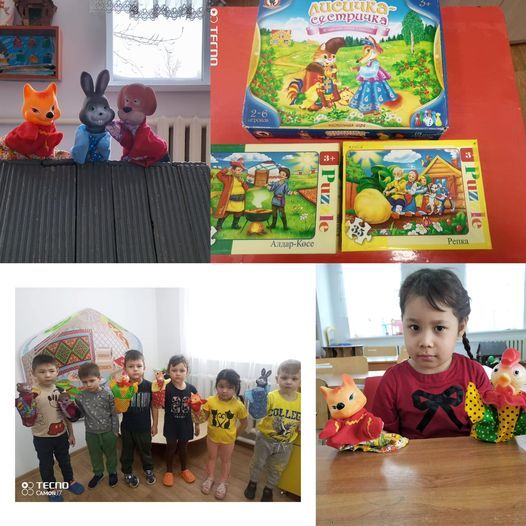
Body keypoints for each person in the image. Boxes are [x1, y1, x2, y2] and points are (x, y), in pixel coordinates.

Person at [372, 268, 492, 439]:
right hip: (410, 456)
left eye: (439, 328)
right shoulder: (392, 381)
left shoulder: (475, 374)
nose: (426, 342)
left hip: (469, 455)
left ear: (460, 327)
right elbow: (384, 438)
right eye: (414, 327)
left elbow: (488, 431)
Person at [29, 355, 85, 501]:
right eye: (42, 371)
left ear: (57, 371)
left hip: (61, 435)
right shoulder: (31, 394)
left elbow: (67, 415)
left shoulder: (61, 391)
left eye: (51, 371)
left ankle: (69, 481)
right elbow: (27, 417)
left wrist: (71, 434)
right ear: (33, 373)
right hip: (42, 438)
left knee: (65, 460)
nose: (47, 375)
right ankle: (51, 489)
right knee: (46, 465)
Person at [244, 359, 301, 502]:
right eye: (284, 377)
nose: (289, 382)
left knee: (277, 468)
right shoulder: (271, 397)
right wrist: (258, 398)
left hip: (286, 444)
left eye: (294, 378)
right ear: (277, 379)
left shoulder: (303, 400)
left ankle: (268, 488)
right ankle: (252, 482)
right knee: (258, 463)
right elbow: (258, 413)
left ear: (300, 380)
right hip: (265, 439)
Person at [201, 369, 248, 500]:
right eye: (221, 386)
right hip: (212, 438)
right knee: (211, 458)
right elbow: (203, 418)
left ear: (236, 388)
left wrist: (235, 436)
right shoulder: (210, 401)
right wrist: (195, 411)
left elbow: (244, 424)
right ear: (216, 385)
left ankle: (223, 482)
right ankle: (210, 478)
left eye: (230, 387)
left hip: (228, 441)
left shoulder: (239, 405)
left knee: (225, 461)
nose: (224, 390)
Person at [75, 362, 119, 489]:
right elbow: (81, 413)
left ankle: (112, 472)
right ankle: (98, 473)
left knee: (111, 454)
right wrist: (72, 412)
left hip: (108, 432)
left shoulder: (108, 394)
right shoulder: (80, 397)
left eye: (92, 380)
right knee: (94, 455)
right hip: (91, 433)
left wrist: (115, 430)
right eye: (84, 382)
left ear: (99, 379)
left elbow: (114, 413)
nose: (88, 384)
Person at [120, 349, 158, 487]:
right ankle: (127, 472)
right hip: (127, 428)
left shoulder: (150, 386)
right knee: (127, 452)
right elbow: (118, 408)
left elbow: (154, 406)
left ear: (144, 368)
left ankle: (148, 469)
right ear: (125, 369)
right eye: (131, 366)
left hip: (144, 427)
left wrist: (155, 424)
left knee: (146, 450)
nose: (135, 369)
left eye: (139, 366)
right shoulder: (122, 387)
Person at [161, 355, 199, 487]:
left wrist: (197, 425)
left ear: (187, 371)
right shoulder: (166, 389)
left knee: (183, 448)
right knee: (170, 448)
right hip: (171, 425)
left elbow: (196, 409)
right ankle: (169, 471)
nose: (178, 373)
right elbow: (160, 404)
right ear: (168, 371)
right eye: (174, 370)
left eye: (182, 370)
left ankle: (184, 469)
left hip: (186, 425)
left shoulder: (192, 389)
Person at [214, 158, 249, 230]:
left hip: (240, 201)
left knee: (238, 213)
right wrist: (227, 169)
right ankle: (218, 226)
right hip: (230, 201)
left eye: (241, 171)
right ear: (233, 170)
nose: (240, 172)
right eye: (238, 170)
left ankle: (235, 225)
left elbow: (246, 189)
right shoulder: (228, 178)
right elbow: (219, 175)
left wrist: (243, 182)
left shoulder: (241, 179)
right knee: (225, 213)